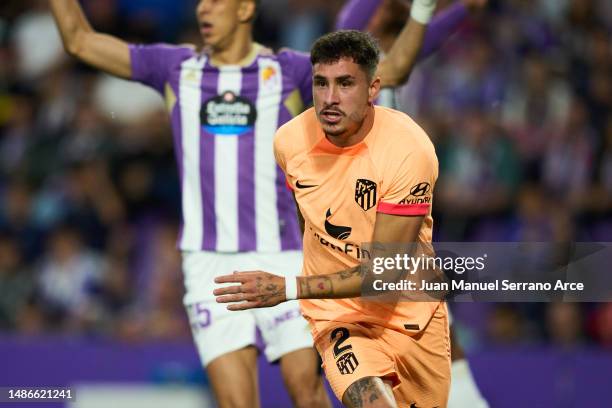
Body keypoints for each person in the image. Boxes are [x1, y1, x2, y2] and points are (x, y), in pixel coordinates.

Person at [49, 0, 440, 407]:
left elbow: (390, 71)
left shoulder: (288, 70)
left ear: (245, 8)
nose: (204, 9)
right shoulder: (174, 67)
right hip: (208, 263)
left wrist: (424, 10)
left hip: (284, 255)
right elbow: (79, 41)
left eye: (216, 1)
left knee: (305, 392)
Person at [215, 30, 449, 407]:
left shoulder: (410, 151)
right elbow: (309, 220)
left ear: (373, 88)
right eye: (321, 84)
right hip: (338, 316)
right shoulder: (291, 141)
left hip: (411, 313)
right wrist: (309, 292)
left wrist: (288, 288)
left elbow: (384, 274)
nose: (329, 98)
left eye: (345, 84)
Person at [338, 1, 491, 407]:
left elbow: (424, 40)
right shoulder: (344, 66)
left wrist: (461, 11)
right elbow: (359, 25)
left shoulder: (389, 60)